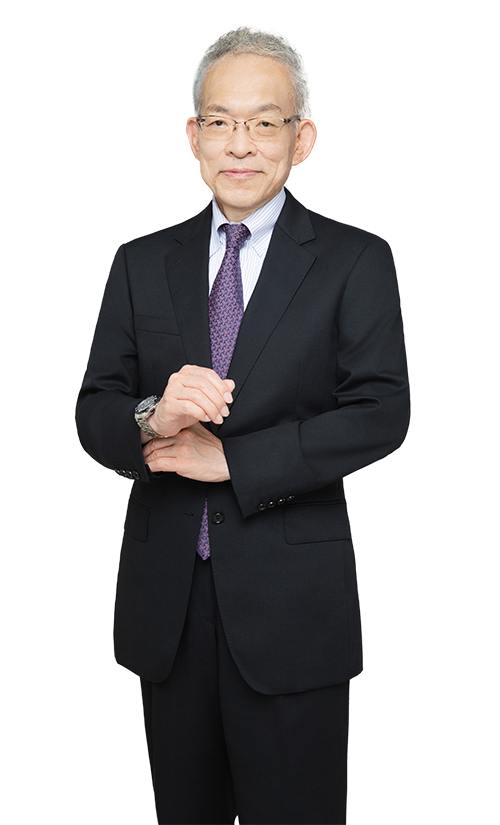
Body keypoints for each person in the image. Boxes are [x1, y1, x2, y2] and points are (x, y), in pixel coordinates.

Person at [76, 28, 409, 825]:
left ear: (303, 137)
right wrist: (152, 415)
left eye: (264, 122)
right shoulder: (139, 262)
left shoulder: (355, 259)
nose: (240, 143)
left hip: (293, 608)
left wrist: (236, 460)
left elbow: (382, 410)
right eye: (221, 121)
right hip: (167, 612)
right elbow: (94, 410)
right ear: (193, 135)